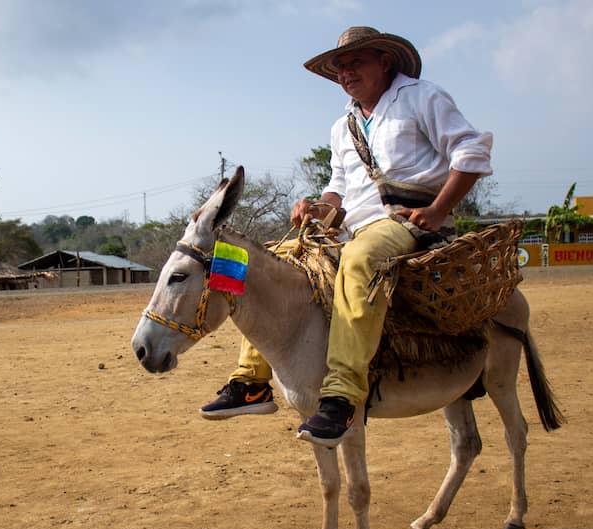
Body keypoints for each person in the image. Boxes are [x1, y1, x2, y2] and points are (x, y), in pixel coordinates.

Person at [199, 26, 493, 448]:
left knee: (357, 261)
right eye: (340, 67)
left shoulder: (422, 97)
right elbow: (338, 187)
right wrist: (317, 207)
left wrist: (439, 209)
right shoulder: (345, 125)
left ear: (385, 60)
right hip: (353, 226)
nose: (346, 73)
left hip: (407, 222)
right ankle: (250, 380)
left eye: (356, 62)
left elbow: (471, 151)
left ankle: (341, 394)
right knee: (262, 259)